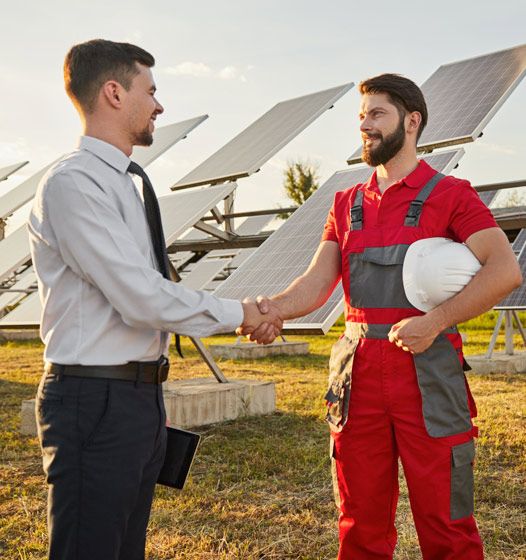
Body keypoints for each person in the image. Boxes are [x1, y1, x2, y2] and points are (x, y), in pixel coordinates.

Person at [240, 74, 522, 559]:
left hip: (429, 373)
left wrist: (434, 322)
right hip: (357, 375)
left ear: (411, 122)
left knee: (448, 527)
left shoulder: (451, 194)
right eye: (361, 116)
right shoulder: (345, 203)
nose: (365, 126)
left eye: (377, 114)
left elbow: (504, 271)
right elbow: (315, 282)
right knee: (359, 526)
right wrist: (271, 311)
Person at [28, 39, 281, 560]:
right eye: (152, 91)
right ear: (114, 93)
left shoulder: (127, 183)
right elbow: (140, 297)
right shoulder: (73, 184)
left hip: (136, 396)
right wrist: (240, 313)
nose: (159, 107)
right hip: (93, 398)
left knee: (125, 549)